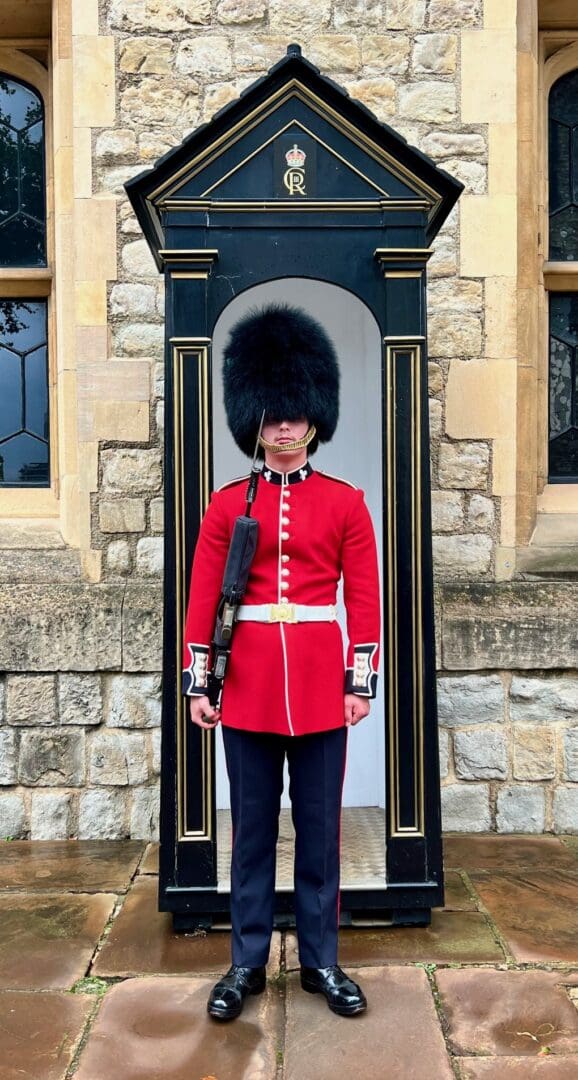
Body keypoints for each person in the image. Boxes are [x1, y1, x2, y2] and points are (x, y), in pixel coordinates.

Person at [182, 303, 381, 1020]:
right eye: (272, 416)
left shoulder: (346, 503)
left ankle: (323, 962)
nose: (285, 427)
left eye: (295, 414)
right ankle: (246, 962)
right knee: (254, 831)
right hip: (249, 687)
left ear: (314, 418)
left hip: (324, 688)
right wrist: (200, 683)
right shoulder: (227, 504)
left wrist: (360, 682)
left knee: (322, 831)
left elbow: (363, 597)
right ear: (254, 423)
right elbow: (204, 598)